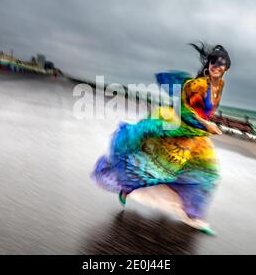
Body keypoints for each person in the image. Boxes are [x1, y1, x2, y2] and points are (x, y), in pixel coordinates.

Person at [91, 42, 231, 235]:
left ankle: (193, 217)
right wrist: (206, 125)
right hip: (180, 130)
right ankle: (125, 186)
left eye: (221, 64)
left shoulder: (219, 85)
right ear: (208, 65)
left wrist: (207, 124)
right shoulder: (196, 85)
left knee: (208, 173)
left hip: (196, 136)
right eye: (213, 62)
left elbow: (206, 112)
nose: (217, 66)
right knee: (157, 167)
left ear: (226, 68)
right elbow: (184, 111)